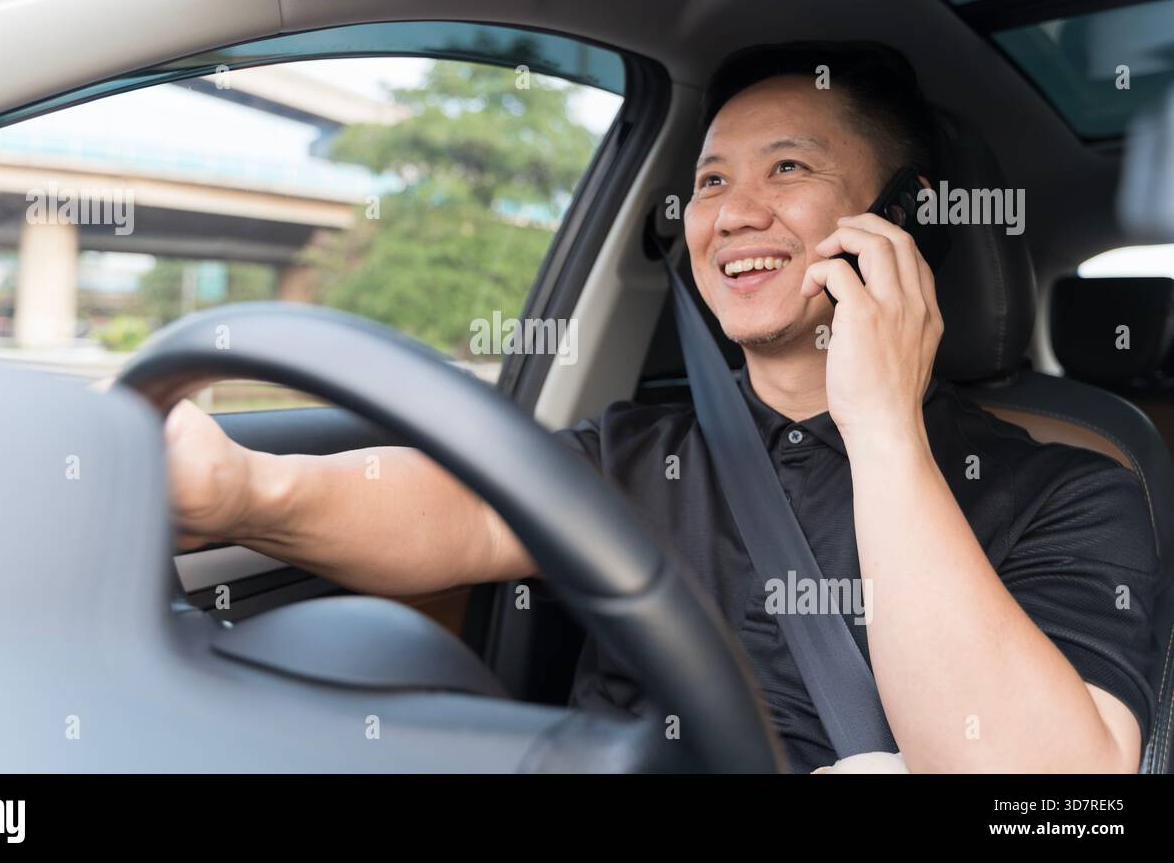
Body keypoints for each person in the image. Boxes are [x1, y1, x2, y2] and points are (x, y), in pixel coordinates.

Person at [159, 42, 1160, 773]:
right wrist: (245, 486)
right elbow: (458, 507)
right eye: (711, 180)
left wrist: (882, 425)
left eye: (788, 168)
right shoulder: (640, 453)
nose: (731, 212)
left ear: (896, 220)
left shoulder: (1068, 489)